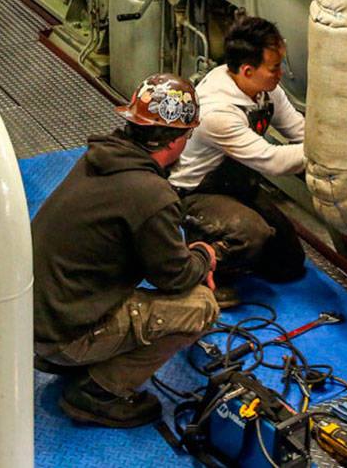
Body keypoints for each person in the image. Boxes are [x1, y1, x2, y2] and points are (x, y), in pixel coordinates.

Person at [33, 73, 221, 428]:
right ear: (177, 140)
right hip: (63, 334)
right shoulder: (150, 193)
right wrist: (203, 256)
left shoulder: (100, 156)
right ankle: (99, 391)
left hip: (39, 314)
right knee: (200, 308)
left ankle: (82, 355)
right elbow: (174, 277)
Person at [170, 16, 307, 295]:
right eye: (274, 68)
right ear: (247, 70)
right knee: (252, 234)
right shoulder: (218, 111)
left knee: (288, 264)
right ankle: (198, 266)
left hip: (236, 185)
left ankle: (234, 249)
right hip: (194, 193)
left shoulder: (264, 89)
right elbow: (273, 161)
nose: (280, 73)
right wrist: (331, 152)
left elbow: (299, 131)